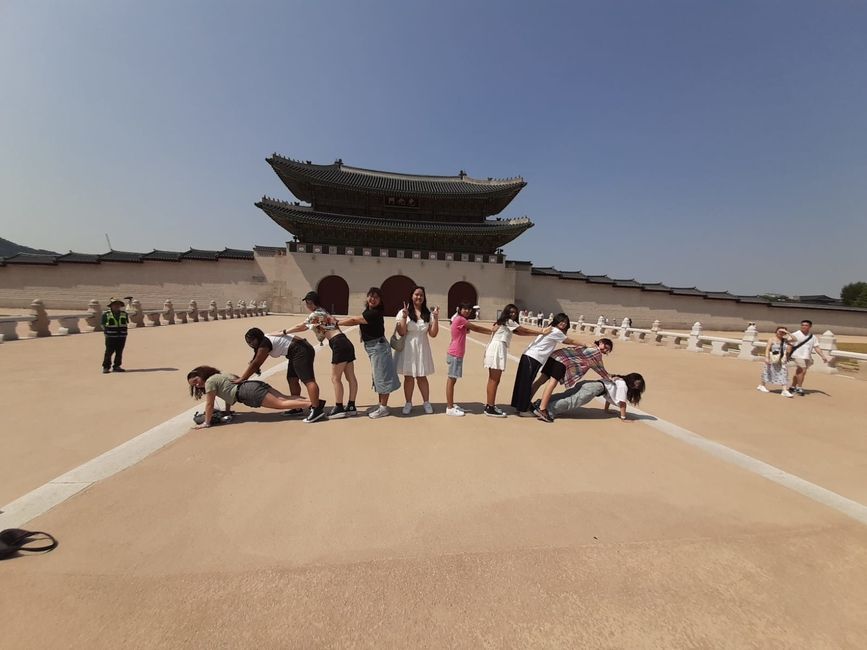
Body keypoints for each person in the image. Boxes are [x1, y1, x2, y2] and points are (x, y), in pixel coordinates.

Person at [237, 327, 326, 423]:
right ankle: (297, 407)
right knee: (292, 379)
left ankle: (316, 409)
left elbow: (256, 363)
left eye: (252, 341)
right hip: (295, 351)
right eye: (248, 342)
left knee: (308, 380)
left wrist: (242, 378)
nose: (250, 344)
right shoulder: (263, 341)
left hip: (301, 350)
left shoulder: (265, 342)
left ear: (258, 338)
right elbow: (255, 361)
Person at [339, 287, 401, 418]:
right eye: (371, 296)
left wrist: (336, 323)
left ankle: (384, 408)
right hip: (374, 347)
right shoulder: (369, 310)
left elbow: (355, 320)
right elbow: (357, 320)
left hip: (379, 347)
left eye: (376, 297)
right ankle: (381, 405)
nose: (373, 299)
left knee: (382, 377)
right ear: (367, 297)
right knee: (378, 377)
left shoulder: (375, 313)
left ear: (380, 301)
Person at [296, 291, 358, 419]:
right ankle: (351, 406)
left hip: (338, 344)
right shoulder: (324, 311)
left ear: (311, 303)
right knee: (350, 377)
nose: (307, 306)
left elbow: (302, 327)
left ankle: (339, 407)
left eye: (308, 303)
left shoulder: (316, 314)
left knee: (335, 378)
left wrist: (284, 331)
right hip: (346, 342)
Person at [187, 366, 310, 429]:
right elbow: (227, 393)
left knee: (280, 404)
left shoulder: (209, 382)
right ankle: (312, 401)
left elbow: (210, 404)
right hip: (253, 385)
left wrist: (206, 422)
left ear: (201, 375)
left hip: (247, 392)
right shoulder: (220, 375)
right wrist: (228, 411)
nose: (197, 385)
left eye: (196, 380)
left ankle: (312, 404)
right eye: (194, 385)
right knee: (284, 398)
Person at [483, 304, 550, 417]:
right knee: (494, 380)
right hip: (497, 348)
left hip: (495, 348)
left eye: (515, 312)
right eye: (511, 312)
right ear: (506, 313)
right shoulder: (508, 321)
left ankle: (490, 405)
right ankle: (490, 407)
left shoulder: (505, 323)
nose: (513, 314)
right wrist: (541, 332)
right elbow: (523, 329)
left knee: (493, 379)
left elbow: (521, 332)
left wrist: (537, 334)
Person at [510, 313, 582, 417]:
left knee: (523, 382)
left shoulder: (550, 328)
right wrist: (585, 344)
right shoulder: (555, 331)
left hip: (529, 356)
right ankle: (522, 410)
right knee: (526, 383)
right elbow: (569, 341)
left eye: (566, 322)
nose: (563, 323)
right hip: (533, 357)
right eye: (561, 321)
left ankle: (519, 405)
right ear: (556, 321)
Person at [533, 338, 614, 422]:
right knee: (552, 383)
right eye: (605, 347)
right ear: (600, 342)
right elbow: (599, 368)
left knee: (540, 381)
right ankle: (542, 410)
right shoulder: (596, 352)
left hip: (555, 356)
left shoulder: (589, 345)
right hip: (562, 361)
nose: (605, 350)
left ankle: (527, 403)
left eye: (607, 350)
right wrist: (609, 378)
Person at [394, 286, 439, 414]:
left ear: (424, 298)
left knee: (422, 376)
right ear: (411, 296)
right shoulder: (404, 312)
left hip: (422, 347)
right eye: (416, 294)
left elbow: (433, 334)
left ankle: (426, 402)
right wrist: (404, 317)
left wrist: (435, 318)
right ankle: (408, 403)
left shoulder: (427, 314)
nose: (419, 297)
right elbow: (402, 332)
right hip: (408, 348)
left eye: (421, 295)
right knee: (409, 377)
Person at [533, 373, 645, 421]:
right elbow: (622, 403)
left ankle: (541, 403)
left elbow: (610, 396)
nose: (637, 385)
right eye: (636, 383)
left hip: (590, 383)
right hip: (595, 388)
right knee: (572, 401)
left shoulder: (619, 380)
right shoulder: (623, 385)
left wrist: (606, 410)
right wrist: (623, 417)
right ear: (631, 380)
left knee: (567, 395)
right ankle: (548, 410)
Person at [445, 302, 492, 416]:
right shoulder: (460, 319)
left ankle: (451, 404)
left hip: (456, 353)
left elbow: (467, 330)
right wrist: (491, 331)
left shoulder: (459, 319)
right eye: (464, 309)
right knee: (451, 380)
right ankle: (449, 407)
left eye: (469, 309)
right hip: (455, 353)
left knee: (453, 379)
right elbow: (475, 328)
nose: (467, 311)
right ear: (459, 309)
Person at [788, 319, 830, 395]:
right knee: (802, 370)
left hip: (807, 356)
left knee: (799, 372)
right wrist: (787, 355)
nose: (803, 326)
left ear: (810, 326)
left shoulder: (812, 337)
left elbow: (816, 347)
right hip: (797, 355)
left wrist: (823, 356)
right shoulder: (795, 334)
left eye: (806, 325)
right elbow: (790, 345)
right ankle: (799, 388)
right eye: (802, 325)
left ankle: (792, 386)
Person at [757, 326, 794, 397]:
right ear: (776, 331)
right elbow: (767, 349)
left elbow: (795, 339)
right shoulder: (771, 339)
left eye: (783, 332)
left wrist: (788, 333)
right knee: (767, 371)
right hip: (772, 358)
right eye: (780, 331)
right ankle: (762, 385)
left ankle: (784, 390)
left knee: (784, 373)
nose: (781, 333)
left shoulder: (785, 340)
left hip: (781, 359)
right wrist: (766, 357)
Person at [101, 297, 129, 373]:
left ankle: (117, 366)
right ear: (111, 306)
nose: (117, 306)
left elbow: (126, 324)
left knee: (119, 352)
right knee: (109, 352)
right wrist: (106, 333)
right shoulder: (106, 315)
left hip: (122, 336)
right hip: (110, 337)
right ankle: (106, 367)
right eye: (115, 304)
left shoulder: (124, 314)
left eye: (118, 304)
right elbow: (103, 325)